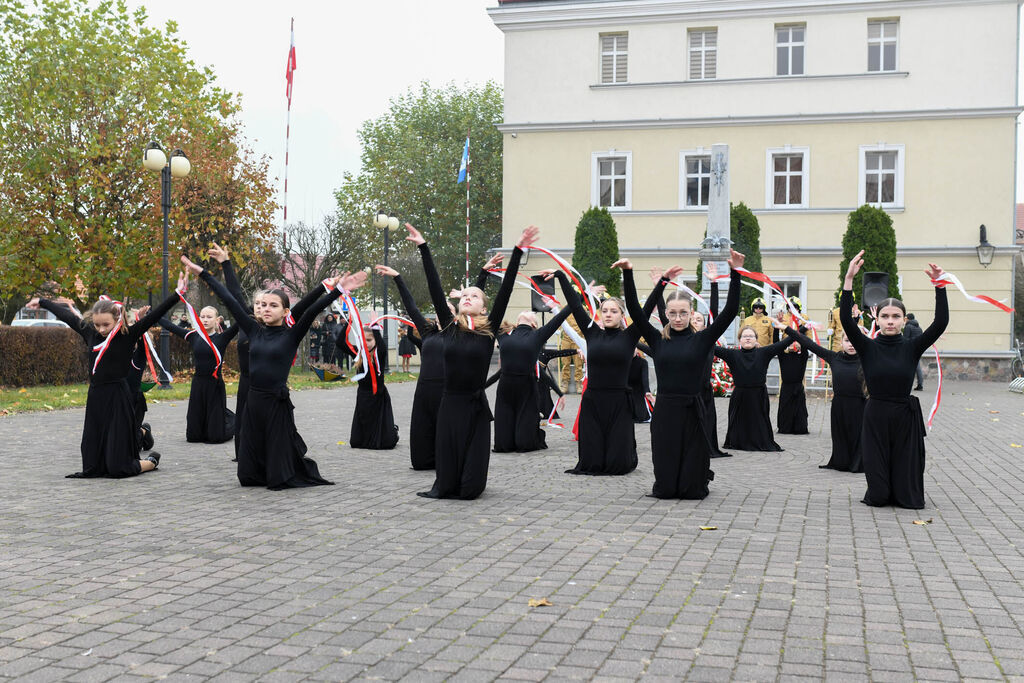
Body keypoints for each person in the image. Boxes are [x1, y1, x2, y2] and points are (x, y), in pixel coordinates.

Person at [184, 254, 367, 489]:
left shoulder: (291, 334)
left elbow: (312, 310)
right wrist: (203, 272)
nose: (267, 309)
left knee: (278, 477)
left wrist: (339, 290)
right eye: (265, 305)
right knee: (247, 477)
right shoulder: (254, 330)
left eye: (274, 305)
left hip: (275, 402)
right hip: (253, 400)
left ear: (285, 311)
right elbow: (229, 299)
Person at [415, 224, 537, 499]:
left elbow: (505, 289)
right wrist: (424, 247)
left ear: (483, 306)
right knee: (448, 465)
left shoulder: (489, 329)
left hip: (475, 405)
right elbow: (434, 285)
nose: (469, 298)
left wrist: (518, 251)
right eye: (465, 295)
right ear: (458, 304)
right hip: (450, 402)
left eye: (475, 295)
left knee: (470, 487)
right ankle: (446, 482)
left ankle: (470, 482)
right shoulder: (448, 327)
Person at [28, 281, 185, 477]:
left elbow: (155, 314)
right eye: (97, 324)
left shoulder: (127, 335)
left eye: (106, 324)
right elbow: (68, 317)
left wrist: (177, 294)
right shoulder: (90, 333)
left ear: (117, 319)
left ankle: (150, 462)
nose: (101, 329)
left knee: (118, 467)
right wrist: (43, 301)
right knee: (93, 466)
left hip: (118, 397)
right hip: (96, 397)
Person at [625, 253, 743, 499]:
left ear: (691, 313)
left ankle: (692, 483)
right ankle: (667, 484)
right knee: (665, 458)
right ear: (666, 314)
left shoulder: (702, 339)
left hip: (693, 407)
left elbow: (730, 311)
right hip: (666, 408)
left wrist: (736, 274)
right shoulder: (658, 339)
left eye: (683, 313)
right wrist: (637, 275)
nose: (678, 318)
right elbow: (636, 311)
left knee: (692, 469)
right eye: (673, 313)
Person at [840, 250, 948, 509]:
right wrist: (848, 281)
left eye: (895, 316)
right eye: (885, 316)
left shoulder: (912, 346)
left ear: (903, 320)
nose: (890, 321)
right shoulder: (867, 346)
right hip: (875, 413)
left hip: (904, 415)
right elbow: (846, 320)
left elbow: (940, 322)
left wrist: (940, 286)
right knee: (878, 492)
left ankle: (902, 491)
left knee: (906, 493)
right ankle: (879, 491)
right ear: (877, 319)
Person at [206, 244, 329, 462]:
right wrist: (226, 263)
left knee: (273, 427)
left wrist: (325, 287)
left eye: (268, 304)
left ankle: (277, 457)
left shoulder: (282, 327)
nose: (262, 307)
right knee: (244, 425)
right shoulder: (248, 324)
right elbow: (233, 294)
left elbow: (306, 307)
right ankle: (247, 458)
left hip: (271, 388)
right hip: (248, 384)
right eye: (259, 304)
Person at [378, 248, 495, 471]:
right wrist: (398, 279)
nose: (445, 312)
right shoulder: (428, 331)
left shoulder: (457, 333)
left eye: (451, 310)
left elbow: (474, 303)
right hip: (424, 390)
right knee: (420, 456)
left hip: (447, 390)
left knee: (446, 441)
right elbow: (411, 307)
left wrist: (482, 277)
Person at [545, 264, 645, 476]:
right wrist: (561, 276)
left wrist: (628, 273)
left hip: (619, 400)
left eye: (614, 311)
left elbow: (639, 307)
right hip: (593, 398)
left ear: (622, 315)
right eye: (605, 310)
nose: (608, 314)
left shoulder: (630, 336)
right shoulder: (592, 333)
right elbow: (574, 304)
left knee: (617, 462)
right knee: (593, 454)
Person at [783, 326, 866, 472]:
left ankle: (859, 463)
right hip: (839, 404)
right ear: (841, 343)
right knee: (840, 435)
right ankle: (841, 461)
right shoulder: (834, 357)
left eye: (855, 341)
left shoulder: (867, 359)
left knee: (859, 435)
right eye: (847, 340)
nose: (851, 344)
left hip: (861, 403)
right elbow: (810, 344)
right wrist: (787, 329)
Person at [490, 308, 572, 452]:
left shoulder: (538, 335)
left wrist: (582, 296)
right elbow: (487, 315)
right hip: (505, 384)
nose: (529, 311)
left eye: (532, 314)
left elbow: (560, 317)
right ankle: (508, 441)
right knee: (504, 443)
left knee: (524, 442)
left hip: (527, 385)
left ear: (534, 324)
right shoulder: (504, 334)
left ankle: (527, 438)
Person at [159, 304, 238, 444]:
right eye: (202, 317)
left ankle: (233, 423)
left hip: (215, 384)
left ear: (217, 320)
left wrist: (250, 310)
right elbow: (171, 326)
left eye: (209, 317)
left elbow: (241, 321)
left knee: (215, 438)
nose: (205, 320)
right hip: (198, 383)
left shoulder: (223, 337)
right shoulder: (193, 336)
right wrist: (151, 314)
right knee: (193, 437)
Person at [715, 325, 796, 452]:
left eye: (751, 336)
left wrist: (801, 329)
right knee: (738, 421)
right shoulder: (732, 354)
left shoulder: (764, 352)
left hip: (758, 394)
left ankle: (759, 440)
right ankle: (739, 441)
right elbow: (709, 345)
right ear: (739, 340)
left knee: (759, 421)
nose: (748, 339)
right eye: (744, 336)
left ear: (756, 339)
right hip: (740, 395)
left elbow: (785, 342)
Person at [340, 320, 399, 450]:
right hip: (363, 395)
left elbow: (382, 347)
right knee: (355, 442)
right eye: (363, 340)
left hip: (378, 395)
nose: (366, 343)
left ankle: (391, 432)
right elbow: (340, 343)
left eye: (369, 340)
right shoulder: (358, 353)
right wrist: (347, 324)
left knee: (385, 442)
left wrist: (376, 329)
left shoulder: (379, 353)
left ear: (375, 340)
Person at [774, 316, 810, 435]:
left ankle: (799, 427)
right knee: (785, 420)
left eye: (797, 342)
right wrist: (777, 327)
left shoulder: (803, 356)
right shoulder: (783, 355)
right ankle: (785, 426)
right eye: (792, 342)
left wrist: (801, 328)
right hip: (786, 388)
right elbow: (776, 343)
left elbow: (804, 343)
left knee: (800, 425)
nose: (795, 344)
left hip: (798, 387)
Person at [904, 312, 925, 390]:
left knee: (910, 367)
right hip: (918, 349)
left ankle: (908, 385)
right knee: (917, 367)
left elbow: (905, 339)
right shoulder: (919, 328)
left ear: (908, 319)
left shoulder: (908, 327)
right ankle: (920, 384)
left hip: (910, 349)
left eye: (905, 318)